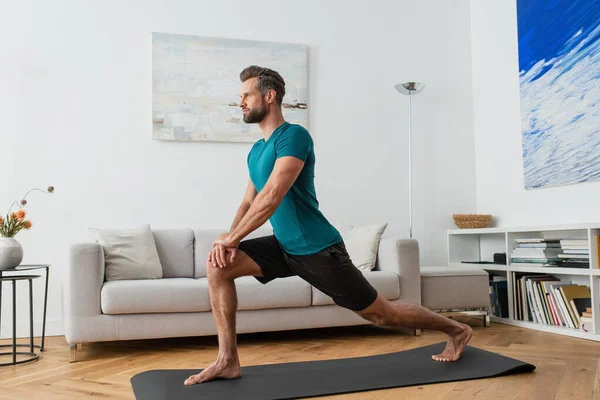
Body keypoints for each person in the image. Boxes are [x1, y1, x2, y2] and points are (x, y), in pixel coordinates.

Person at [184, 65, 472, 386]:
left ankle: (457, 329)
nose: (241, 102)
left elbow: (273, 195)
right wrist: (229, 239)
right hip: (284, 245)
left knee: (380, 314)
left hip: (318, 248)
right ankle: (227, 360)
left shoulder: (294, 136)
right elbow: (248, 202)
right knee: (218, 267)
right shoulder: (256, 151)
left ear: (270, 96)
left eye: (247, 95)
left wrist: (232, 238)